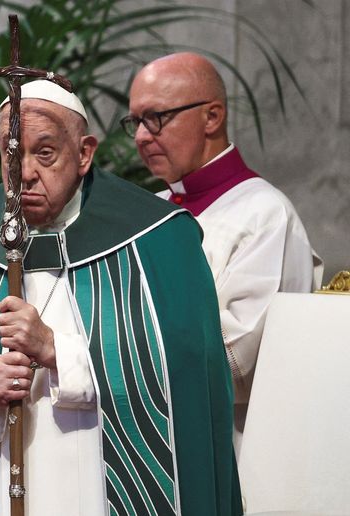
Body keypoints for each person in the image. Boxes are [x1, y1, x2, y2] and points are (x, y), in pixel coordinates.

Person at [0, 80, 241, 515]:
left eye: (45, 153)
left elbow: (187, 376)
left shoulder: (157, 238)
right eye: (11, 152)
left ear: (84, 153)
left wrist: (55, 350)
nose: (24, 173)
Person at [124, 52, 320, 450]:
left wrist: (111, 348)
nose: (142, 136)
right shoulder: (153, 210)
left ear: (212, 117)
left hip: (233, 446)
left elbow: (235, 359)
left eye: (156, 118)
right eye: (135, 122)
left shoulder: (266, 215)